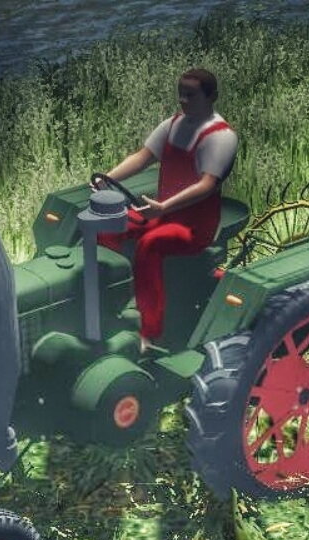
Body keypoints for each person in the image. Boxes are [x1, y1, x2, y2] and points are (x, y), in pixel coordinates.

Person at [93, 68, 238, 353]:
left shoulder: (221, 137)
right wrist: (107, 178)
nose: (183, 100)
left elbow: (207, 185)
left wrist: (163, 207)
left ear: (212, 97)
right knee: (110, 226)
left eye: (191, 95)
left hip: (194, 226)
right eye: (181, 94)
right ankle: (112, 301)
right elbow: (142, 158)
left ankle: (150, 332)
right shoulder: (173, 125)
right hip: (164, 214)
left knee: (150, 244)